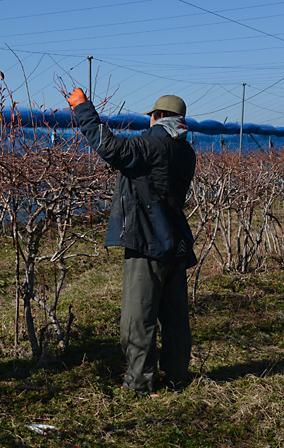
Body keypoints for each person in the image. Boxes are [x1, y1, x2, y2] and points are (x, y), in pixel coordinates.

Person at [67, 90, 197, 393]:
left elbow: (110, 147)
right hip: (176, 243)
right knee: (176, 319)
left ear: (159, 117)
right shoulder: (185, 151)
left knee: (137, 320)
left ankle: (140, 383)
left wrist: (83, 109)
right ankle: (177, 378)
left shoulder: (154, 144)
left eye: (151, 117)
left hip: (149, 243)